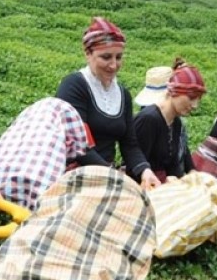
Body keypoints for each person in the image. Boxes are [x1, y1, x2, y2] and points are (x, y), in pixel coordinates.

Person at [56, 17, 161, 189]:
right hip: (75, 173)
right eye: (106, 57)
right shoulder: (74, 86)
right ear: (88, 54)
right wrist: (112, 174)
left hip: (107, 175)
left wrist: (145, 171)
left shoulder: (123, 94)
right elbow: (78, 145)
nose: (113, 65)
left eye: (118, 57)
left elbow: (130, 144)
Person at [132, 58, 207, 183]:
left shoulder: (176, 122)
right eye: (191, 98)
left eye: (198, 99)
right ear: (174, 92)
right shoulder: (148, 119)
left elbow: (173, 165)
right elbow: (133, 166)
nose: (195, 105)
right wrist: (163, 180)